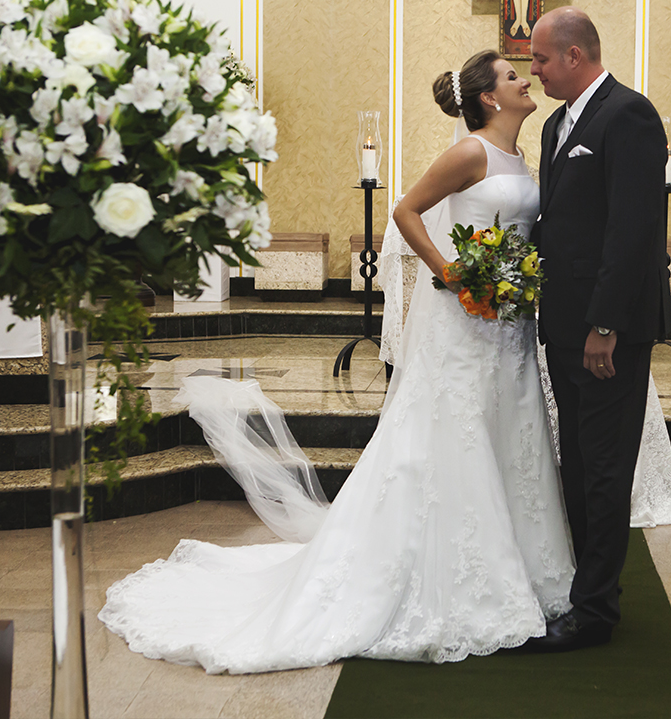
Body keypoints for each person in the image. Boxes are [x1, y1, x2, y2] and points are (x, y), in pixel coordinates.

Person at [97, 50, 576, 672]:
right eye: (513, 76)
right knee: (453, 439)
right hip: (466, 322)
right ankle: (455, 580)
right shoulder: (471, 152)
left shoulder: (520, 155)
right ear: (489, 98)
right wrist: (453, 274)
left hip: (510, 324)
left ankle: (523, 567)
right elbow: (405, 211)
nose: (526, 79)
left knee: (508, 434)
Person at [527, 7, 671, 651]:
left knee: (606, 466)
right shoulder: (558, 123)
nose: (534, 73)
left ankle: (594, 613)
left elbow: (633, 230)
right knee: (578, 459)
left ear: (575, 57)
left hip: (606, 328)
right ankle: (587, 587)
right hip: (561, 323)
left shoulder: (629, 114)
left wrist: (606, 324)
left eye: (540, 60)